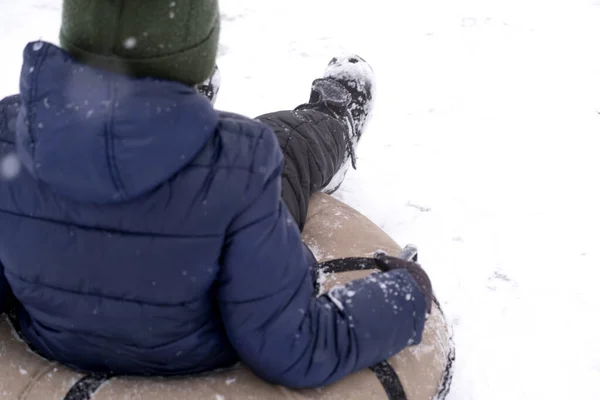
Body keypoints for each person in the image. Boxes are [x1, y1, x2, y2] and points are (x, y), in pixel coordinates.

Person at [0, 0, 434, 389]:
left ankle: (142, 101)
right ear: (196, 52)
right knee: (286, 146)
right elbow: (293, 345)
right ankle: (335, 115)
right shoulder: (243, 163)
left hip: (54, 340)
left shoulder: (9, 134)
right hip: (190, 353)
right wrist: (405, 294)